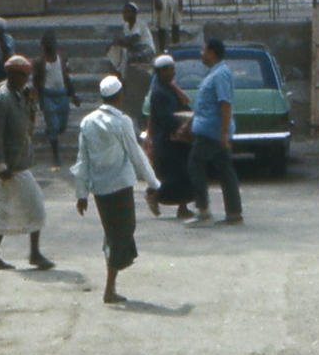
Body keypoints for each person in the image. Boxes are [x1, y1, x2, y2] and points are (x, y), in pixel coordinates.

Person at [72, 73, 160, 303]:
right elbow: (136, 154)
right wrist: (154, 183)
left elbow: (82, 160)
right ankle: (110, 288)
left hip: (100, 189)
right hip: (120, 187)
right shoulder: (122, 122)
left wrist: (82, 193)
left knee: (113, 233)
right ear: (120, 95)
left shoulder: (88, 122)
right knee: (123, 232)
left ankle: (110, 284)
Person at [0, 53, 53, 271]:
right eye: (22, 75)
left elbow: (29, 122)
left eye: (26, 75)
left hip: (18, 161)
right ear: (11, 74)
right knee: (36, 208)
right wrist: (0, 164)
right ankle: (34, 254)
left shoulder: (20, 95)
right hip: (12, 166)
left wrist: (31, 101)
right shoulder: (2, 99)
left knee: (2, 212)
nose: (25, 79)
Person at [186, 35, 244, 226]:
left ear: (212, 52)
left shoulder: (220, 75)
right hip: (212, 131)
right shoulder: (215, 73)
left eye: (203, 50)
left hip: (212, 132)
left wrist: (223, 134)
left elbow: (225, 104)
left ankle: (203, 210)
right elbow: (205, 105)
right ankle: (234, 213)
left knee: (195, 163)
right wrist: (189, 124)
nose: (201, 53)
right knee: (225, 169)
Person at [144, 53, 195, 219]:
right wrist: (181, 126)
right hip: (167, 142)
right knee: (175, 177)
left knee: (186, 175)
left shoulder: (171, 88)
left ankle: (183, 207)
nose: (173, 72)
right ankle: (154, 195)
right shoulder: (158, 93)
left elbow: (183, 107)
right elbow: (165, 117)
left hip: (179, 140)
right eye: (170, 69)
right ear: (161, 71)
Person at [32, 33, 78, 165]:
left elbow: (66, 77)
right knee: (53, 125)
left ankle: (51, 132)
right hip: (48, 95)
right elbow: (36, 82)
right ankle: (55, 156)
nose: (49, 45)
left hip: (62, 94)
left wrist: (73, 94)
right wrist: (39, 99)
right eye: (46, 43)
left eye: (51, 42)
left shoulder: (62, 57)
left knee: (62, 126)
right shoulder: (39, 62)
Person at [108, 0, 157, 121]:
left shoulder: (140, 24)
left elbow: (133, 39)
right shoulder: (126, 26)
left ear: (134, 14)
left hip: (145, 51)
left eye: (127, 12)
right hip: (133, 50)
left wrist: (119, 42)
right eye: (124, 12)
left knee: (124, 54)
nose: (125, 15)